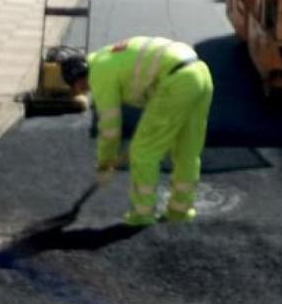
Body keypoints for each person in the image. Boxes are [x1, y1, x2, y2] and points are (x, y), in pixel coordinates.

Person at [60, 37, 214, 227]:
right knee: (187, 150)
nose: (84, 91)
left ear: (79, 77)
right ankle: (180, 211)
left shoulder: (98, 73)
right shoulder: (108, 57)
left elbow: (110, 127)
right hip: (201, 73)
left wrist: (105, 162)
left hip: (177, 81)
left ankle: (142, 215)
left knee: (143, 152)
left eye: (78, 87)